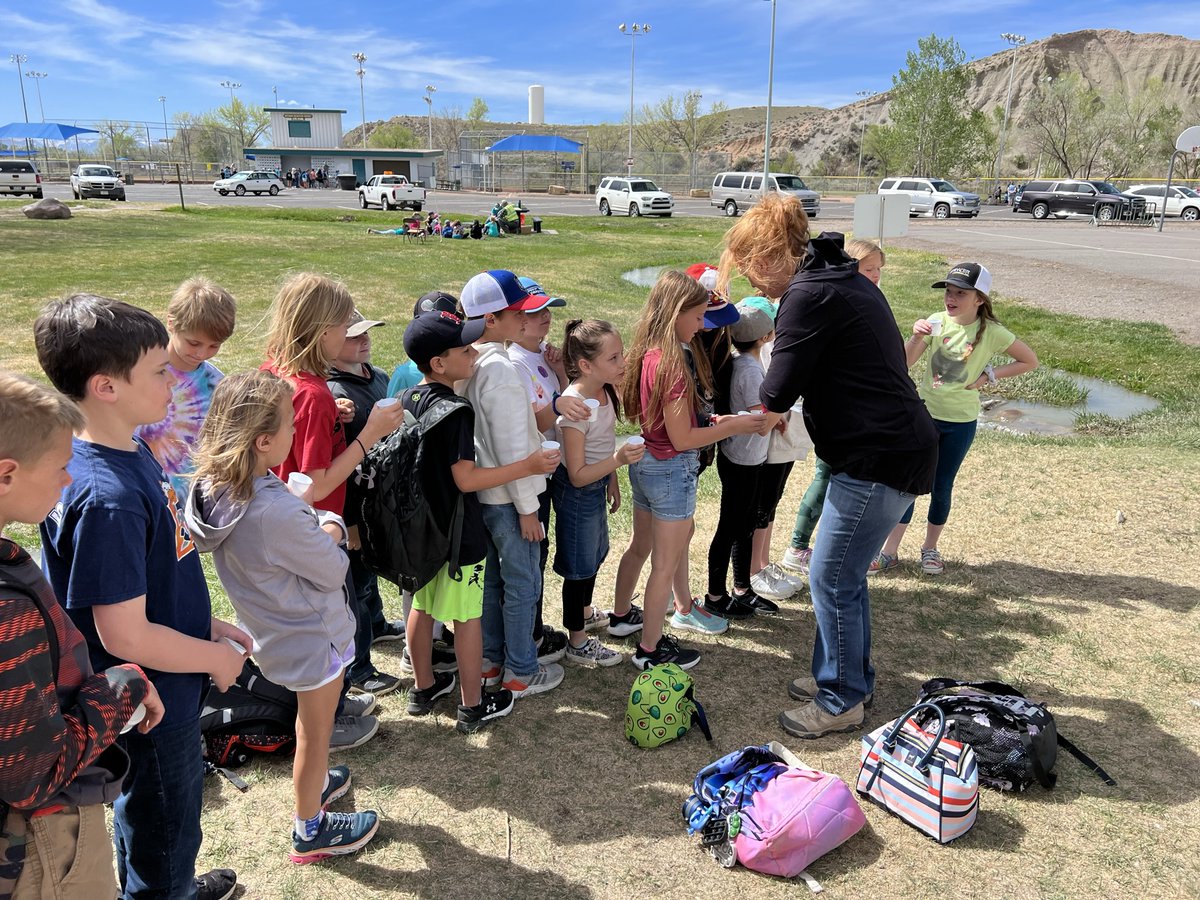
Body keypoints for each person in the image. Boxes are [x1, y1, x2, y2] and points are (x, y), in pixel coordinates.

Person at [34, 294, 244, 900]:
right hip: (150, 701)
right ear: (105, 386)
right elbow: (122, 634)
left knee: (151, 822)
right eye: (159, 372)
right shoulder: (108, 498)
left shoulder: (132, 453)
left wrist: (205, 625)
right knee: (166, 833)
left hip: (164, 679)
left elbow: (151, 579)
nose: (174, 381)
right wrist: (213, 659)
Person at [717, 193, 939, 739]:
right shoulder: (838, 278)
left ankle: (841, 699)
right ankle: (845, 676)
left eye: (751, 266)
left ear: (771, 255)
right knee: (843, 577)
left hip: (877, 454)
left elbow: (776, 388)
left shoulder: (808, 294)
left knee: (831, 577)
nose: (752, 280)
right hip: (892, 446)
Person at [185, 371, 379, 864]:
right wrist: (328, 525)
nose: (296, 433)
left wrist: (297, 514)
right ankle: (309, 827)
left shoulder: (217, 488)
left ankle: (312, 790)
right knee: (314, 737)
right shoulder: (274, 511)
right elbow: (332, 569)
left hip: (273, 631)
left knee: (306, 725)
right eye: (291, 426)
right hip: (312, 639)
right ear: (263, 440)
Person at [0, 372, 165, 900]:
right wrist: (123, 688)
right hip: (35, 855)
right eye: (60, 466)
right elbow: (32, 773)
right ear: (6, 474)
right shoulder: (7, 612)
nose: (68, 480)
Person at [399, 311, 559, 730]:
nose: (474, 354)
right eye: (465, 350)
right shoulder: (455, 409)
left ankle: (424, 686)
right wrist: (528, 465)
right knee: (468, 617)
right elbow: (466, 478)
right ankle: (473, 704)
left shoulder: (408, 398)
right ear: (439, 363)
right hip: (456, 532)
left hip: (422, 530)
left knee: (422, 606)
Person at [613, 270, 770, 671]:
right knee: (664, 566)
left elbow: (665, 423)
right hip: (670, 469)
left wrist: (717, 421)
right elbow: (683, 438)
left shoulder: (648, 354)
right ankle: (649, 650)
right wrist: (733, 425)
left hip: (648, 463)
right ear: (677, 313)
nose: (703, 325)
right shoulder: (674, 363)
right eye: (698, 316)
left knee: (650, 550)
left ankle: (623, 620)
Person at [261, 274, 405, 703]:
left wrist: (331, 417)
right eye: (345, 324)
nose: (351, 331)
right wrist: (370, 434)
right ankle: (337, 703)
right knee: (333, 615)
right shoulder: (310, 392)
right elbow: (316, 478)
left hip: (284, 518)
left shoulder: (279, 370)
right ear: (323, 329)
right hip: (316, 524)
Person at [872, 263, 1038, 576]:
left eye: (960, 293)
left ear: (979, 299)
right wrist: (915, 336)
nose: (951, 298)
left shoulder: (992, 333)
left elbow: (1029, 360)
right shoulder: (936, 322)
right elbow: (904, 363)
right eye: (948, 291)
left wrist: (989, 376)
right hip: (924, 417)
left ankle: (930, 549)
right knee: (908, 484)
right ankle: (889, 552)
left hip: (960, 422)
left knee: (941, 485)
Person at [461, 270, 566, 697]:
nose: (525, 318)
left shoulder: (470, 360)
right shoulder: (501, 369)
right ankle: (521, 670)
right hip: (510, 498)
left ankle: (490, 663)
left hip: (485, 494)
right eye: (514, 312)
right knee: (523, 582)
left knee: (491, 583)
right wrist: (527, 507)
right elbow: (510, 446)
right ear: (492, 320)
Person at [779, 240, 885, 580]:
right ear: (850, 267)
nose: (877, 277)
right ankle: (799, 547)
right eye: (870, 269)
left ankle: (812, 548)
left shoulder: (862, 298)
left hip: (857, 415)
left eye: (879, 270)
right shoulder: (827, 301)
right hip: (839, 417)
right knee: (826, 478)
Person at [553, 319, 645, 667]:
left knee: (595, 554)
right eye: (614, 358)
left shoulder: (604, 390)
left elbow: (601, 445)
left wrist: (612, 478)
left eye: (621, 355)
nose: (623, 364)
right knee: (578, 567)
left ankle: (587, 613)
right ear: (586, 365)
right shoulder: (575, 406)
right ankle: (577, 640)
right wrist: (618, 461)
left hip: (596, 486)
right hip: (578, 493)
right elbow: (576, 475)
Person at [507, 277, 586, 661]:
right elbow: (535, 424)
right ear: (516, 318)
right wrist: (555, 404)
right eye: (536, 312)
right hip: (530, 475)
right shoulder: (514, 364)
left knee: (540, 549)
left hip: (547, 472)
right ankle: (531, 639)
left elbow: (569, 397)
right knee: (531, 554)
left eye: (548, 310)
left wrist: (559, 372)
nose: (547, 318)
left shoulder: (542, 355)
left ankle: (535, 630)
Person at [327, 311, 406, 656]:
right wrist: (351, 522)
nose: (364, 340)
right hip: (353, 505)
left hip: (379, 498)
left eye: (367, 333)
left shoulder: (380, 377)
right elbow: (335, 463)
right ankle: (359, 661)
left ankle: (376, 624)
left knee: (371, 569)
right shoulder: (333, 391)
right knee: (356, 582)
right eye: (353, 336)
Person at [704, 300, 782, 617]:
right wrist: (778, 415)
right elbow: (760, 423)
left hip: (743, 457)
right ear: (765, 337)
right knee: (731, 527)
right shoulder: (750, 371)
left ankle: (742, 588)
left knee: (745, 524)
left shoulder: (738, 363)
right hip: (743, 461)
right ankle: (716, 595)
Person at [136, 276, 237, 499]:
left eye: (214, 346)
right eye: (194, 343)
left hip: (192, 503)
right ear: (171, 322)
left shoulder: (217, 385)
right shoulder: (139, 373)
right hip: (141, 491)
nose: (202, 353)